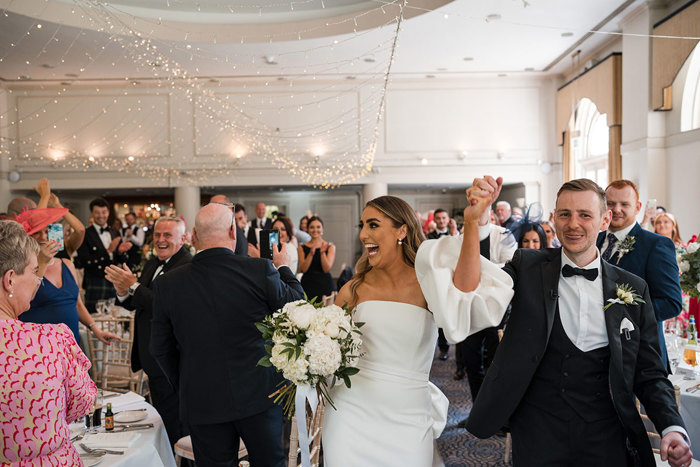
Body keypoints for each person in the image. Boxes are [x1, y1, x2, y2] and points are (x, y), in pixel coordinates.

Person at [466, 176, 692, 467]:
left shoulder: (634, 288)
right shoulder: (526, 266)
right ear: (554, 219)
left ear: (604, 220)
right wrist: (479, 223)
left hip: (607, 433)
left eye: (585, 215)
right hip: (537, 432)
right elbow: (482, 288)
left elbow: (649, 372)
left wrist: (671, 427)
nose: (573, 224)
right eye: (564, 214)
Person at [322, 195, 512, 467]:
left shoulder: (428, 281)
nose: (364, 235)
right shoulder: (353, 289)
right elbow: (329, 350)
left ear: (402, 230)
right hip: (349, 413)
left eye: (373, 225)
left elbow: (467, 290)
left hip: (408, 415)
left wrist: (471, 222)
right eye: (362, 226)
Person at [150, 203, 304, 467]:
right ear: (234, 231)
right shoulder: (259, 270)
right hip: (259, 393)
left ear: (195, 236)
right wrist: (283, 268)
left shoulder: (167, 284)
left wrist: (188, 379)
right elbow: (297, 309)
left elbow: (160, 349)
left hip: (202, 397)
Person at [0, 220, 96, 464]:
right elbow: (81, 404)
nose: (37, 281)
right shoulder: (50, 341)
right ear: (10, 280)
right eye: (34, 272)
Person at [105, 216, 192, 445]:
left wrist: (133, 286)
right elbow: (137, 302)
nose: (160, 240)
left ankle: (179, 458)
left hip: (171, 358)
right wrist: (123, 290)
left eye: (167, 235)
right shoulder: (152, 263)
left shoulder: (187, 266)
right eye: (157, 235)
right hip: (152, 355)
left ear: (182, 239)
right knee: (162, 414)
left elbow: (166, 306)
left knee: (175, 420)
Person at [598, 180, 682, 368]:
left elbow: (671, 303)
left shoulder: (655, 245)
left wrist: (621, 315)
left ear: (637, 207)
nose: (616, 209)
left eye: (624, 204)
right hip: (597, 357)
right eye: (610, 204)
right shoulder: (594, 241)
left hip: (640, 356)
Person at [16, 208, 119, 345]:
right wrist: (41, 262)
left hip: (70, 344)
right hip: (38, 347)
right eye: (36, 233)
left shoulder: (67, 264)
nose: (43, 237)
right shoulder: (21, 267)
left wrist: (96, 329)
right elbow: (25, 300)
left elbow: (77, 304)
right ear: (28, 237)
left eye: (47, 231)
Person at [75, 197, 131, 313]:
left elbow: (120, 259)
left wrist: (120, 251)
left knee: (113, 316)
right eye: (97, 212)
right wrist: (107, 251)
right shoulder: (85, 234)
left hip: (114, 281)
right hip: (94, 280)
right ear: (92, 213)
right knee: (95, 316)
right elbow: (83, 260)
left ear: (108, 213)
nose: (101, 215)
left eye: (104, 212)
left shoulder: (114, 232)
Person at [298, 216, 336, 300]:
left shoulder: (330, 246)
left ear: (322, 229)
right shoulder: (301, 247)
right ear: (307, 229)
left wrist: (322, 253)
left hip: (325, 284)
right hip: (307, 284)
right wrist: (311, 254)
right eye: (312, 227)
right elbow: (303, 269)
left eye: (318, 227)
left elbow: (326, 269)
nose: (315, 230)